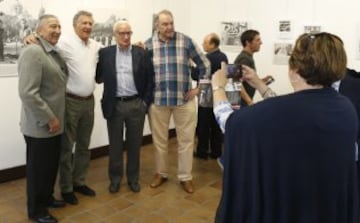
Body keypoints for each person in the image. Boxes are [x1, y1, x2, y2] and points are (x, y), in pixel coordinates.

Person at [212, 32, 359, 222]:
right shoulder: (345, 107)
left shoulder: (284, 112)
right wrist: (258, 83)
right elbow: (287, 112)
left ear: (293, 68)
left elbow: (230, 122)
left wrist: (218, 87)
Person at [145, 9, 210, 193]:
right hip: (158, 102)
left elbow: (205, 64)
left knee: (187, 140)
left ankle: (185, 176)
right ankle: (161, 173)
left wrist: (199, 89)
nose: (169, 27)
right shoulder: (148, 45)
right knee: (159, 141)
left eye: (171, 23)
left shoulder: (185, 41)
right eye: (165, 24)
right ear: (157, 25)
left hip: (184, 101)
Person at [95, 20, 154, 194]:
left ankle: (133, 179)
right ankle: (115, 179)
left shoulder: (141, 53)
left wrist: (144, 103)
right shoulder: (105, 53)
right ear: (115, 35)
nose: (126, 36)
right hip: (114, 105)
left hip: (136, 105)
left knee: (135, 145)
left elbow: (151, 80)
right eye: (122, 33)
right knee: (115, 146)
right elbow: (98, 76)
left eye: (129, 33)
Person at [18, 14, 67, 223]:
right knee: (38, 170)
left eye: (59, 26)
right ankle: (37, 211)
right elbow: (28, 93)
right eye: (52, 26)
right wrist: (49, 118)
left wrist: (55, 120)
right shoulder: (33, 52)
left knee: (49, 166)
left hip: (55, 124)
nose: (57, 30)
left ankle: (46, 198)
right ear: (39, 30)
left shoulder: (51, 51)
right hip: (42, 125)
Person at [192, 33, 228, 160]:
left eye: (205, 43)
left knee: (203, 124)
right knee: (215, 125)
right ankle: (216, 151)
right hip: (219, 94)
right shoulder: (223, 56)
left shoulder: (206, 58)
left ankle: (202, 151)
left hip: (206, 95)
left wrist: (192, 65)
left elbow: (196, 75)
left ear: (212, 44)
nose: (203, 45)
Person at [234, 29, 262, 105]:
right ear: (248, 42)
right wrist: (249, 101)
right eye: (257, 40)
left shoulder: (247, 57)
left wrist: (260, 81)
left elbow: (245, 79)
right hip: (241, 103)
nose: (261, 43)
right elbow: (236, 81)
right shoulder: (244, 59)